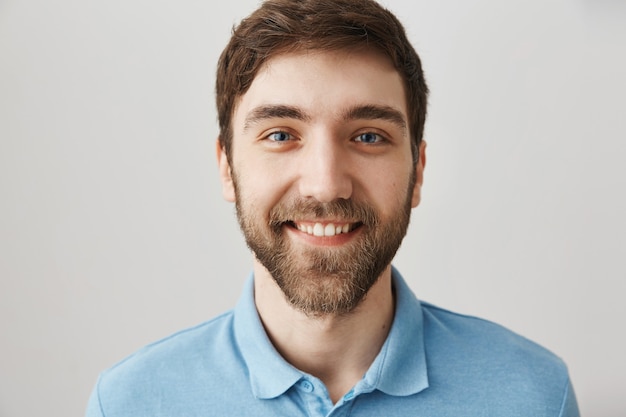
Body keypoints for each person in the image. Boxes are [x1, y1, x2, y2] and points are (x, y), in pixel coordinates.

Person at [85, 0, 579, 415]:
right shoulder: (130, 404)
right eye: (280, 134)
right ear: (227, 168)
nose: (326, 185)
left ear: (418, 170)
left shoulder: (534, 396)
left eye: (368, 136)